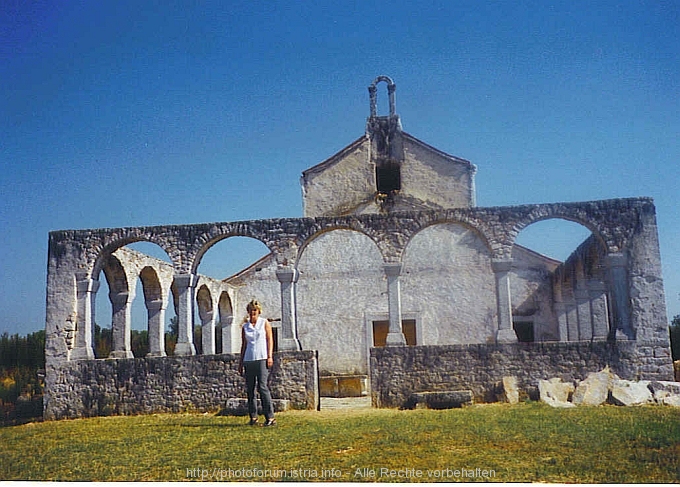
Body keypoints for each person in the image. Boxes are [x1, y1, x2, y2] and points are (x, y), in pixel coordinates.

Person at [238, 299, 276, 426]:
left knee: (262, 387)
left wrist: (269, 356)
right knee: (250, 389)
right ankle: (253, 417)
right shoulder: (245, 326)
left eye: (255, 310)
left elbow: (270, 340)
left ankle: (270, 417)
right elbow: (244, 345)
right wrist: (241, 362)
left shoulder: (264, 323)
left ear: (259, 311)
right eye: (250, 310)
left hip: (261, 358)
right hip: (249, 359)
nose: (253, 312)